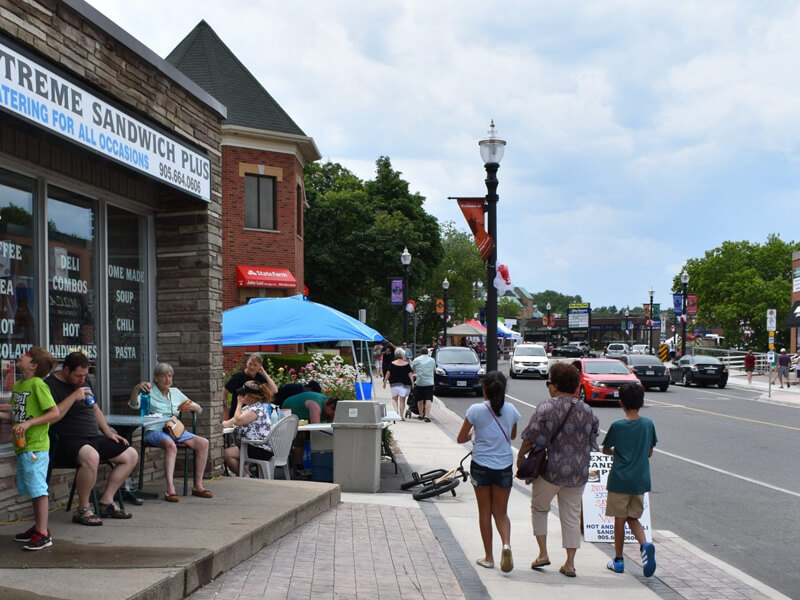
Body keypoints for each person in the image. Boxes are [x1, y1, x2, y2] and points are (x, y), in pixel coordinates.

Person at [518, 362, 599, 578]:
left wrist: (520, 455)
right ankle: (570, 563)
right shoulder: (587, 410)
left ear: (554, 386)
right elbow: (593, 439)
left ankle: (543, 554)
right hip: (578, 471)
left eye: (549, 383)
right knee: (571, 515)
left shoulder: (546, 407)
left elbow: (531, 436)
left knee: (539, 508)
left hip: (550, 469)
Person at [46, 352, 138, 525]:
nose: (82, 380)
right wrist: (74, 396)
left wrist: (108, 433)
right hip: (67, 440)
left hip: (93, 436)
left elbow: (95, 408)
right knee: (92, 456)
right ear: (66, 369)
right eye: (78, 376)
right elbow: (52, 417)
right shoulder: (50, 385)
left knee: (130, 454)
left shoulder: (83, 381)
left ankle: (106, 502)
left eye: (84, 375)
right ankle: (83, 509)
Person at [456, 371, 520, 572]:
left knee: (484, 511)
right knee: (501, 512)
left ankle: (489, 557)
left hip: (481, 465)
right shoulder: (512, 410)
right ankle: (506, 545)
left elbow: (460, 438)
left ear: (485, 389)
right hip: (504, 466)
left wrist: (473, 433)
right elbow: (512, 435)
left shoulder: (475, 410)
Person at [0, 348, 59, 550]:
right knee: (33, 489)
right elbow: (17, 417)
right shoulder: (19, 385)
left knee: (38, 489)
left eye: (25, 354)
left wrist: (29, 424)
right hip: (23, 447)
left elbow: (54, 413)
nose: (21, 355)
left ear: (33, 365)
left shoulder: (38, 385)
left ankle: (43, 534)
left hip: (36, 448)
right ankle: (38, 528)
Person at [129, 363, 212, 501]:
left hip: (174, 430)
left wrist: (192, 407)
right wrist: (136, 388)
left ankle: (198, 486)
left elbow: (199, 409)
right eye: (163, 376)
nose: (167, 379)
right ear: (156, 378)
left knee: (203, 443)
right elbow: (134, 405)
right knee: (171, 446)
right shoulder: (149, 392)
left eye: (170, 376)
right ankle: (170, 489)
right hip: (155, 430)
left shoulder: (175, 392)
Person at [603, 383, 658, 577]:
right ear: (642, 403)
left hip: (619, 479)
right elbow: (650, 452)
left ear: (621, 403)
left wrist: (614, 452)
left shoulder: (617, 426)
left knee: (619, 519)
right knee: (633, 517)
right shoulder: (648, 424)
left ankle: (618, 560)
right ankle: (645, 544)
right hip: (640, 480)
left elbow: (606, 448)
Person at [221, 381, 274, 476]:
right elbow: (229, 423)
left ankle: (247, 477)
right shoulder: (248, 408)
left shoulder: (256, 409)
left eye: (242, 394)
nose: (239, 396)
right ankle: (247, 475)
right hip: (251, 446)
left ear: (251, 396)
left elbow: (237, 421)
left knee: (227, 454)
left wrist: (239, 403)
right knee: (230, 456)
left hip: (260, 448)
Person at [221, 353, 277, 421]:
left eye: (255, 365)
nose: (252, 367)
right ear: (246, 363)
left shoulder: (260, 377)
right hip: (237, 415)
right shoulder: (238, 377)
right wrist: (225, 410)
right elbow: (224, 391)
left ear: (260, 366)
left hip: (253, 416)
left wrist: (264, 373)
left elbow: (274, 390)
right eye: (250, 364)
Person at [383, 347, 414, 420]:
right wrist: (412, 383)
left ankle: (396, 411)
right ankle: (401, 416)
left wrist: (384, 382)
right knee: (402, 400)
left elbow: (388, 373)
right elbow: (410, 374)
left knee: (394, 399)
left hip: (394, 384)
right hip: (405, 385)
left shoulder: (392, 363)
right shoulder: (406, 364)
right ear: (402, 354)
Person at [410, 346, 435, 422]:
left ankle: (421, 415)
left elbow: (412, 369)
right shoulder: (432, 360)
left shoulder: (416, 360)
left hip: (419, 382)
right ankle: (427, 415)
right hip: (429, 382)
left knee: (419, 399)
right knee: (428, 399)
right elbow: (434, 370)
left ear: (420, 352)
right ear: (427, 353)